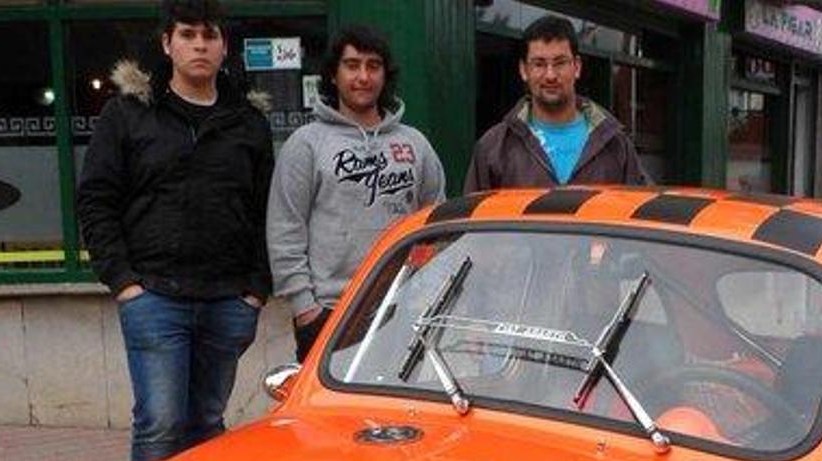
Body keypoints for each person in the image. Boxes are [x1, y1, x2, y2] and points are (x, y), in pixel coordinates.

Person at [76, 0, 273, 461]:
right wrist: (124, 283)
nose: (199, 45)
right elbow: (96, 199)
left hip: (229, 300)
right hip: (154, 297)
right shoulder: (128, 114)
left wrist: (256, 289)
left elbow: (269, 211)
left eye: (210, 35)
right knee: (160, 424)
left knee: (208, 423)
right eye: (187, 34)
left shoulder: (248, 122)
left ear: (224, 46)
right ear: (167, 43)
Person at [268, 25, 446, 362]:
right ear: (333, 75)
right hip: (330, 312)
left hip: (401, 306)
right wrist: (305, 308)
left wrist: (423, 293)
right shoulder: (306, 144)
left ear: (384, 74)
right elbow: (284, 229)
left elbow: (436, 223)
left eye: (373, 65)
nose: (363, 76)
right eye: (352, 65)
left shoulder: (414, 144)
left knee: (398, 414)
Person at [464, 15, 647, 192]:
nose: (550, 75)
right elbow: (473, 219)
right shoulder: (494, 148)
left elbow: (641, 215)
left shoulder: (614, 143)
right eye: (539, 64)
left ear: (576, 67)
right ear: (523, 70)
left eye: (560, 63)